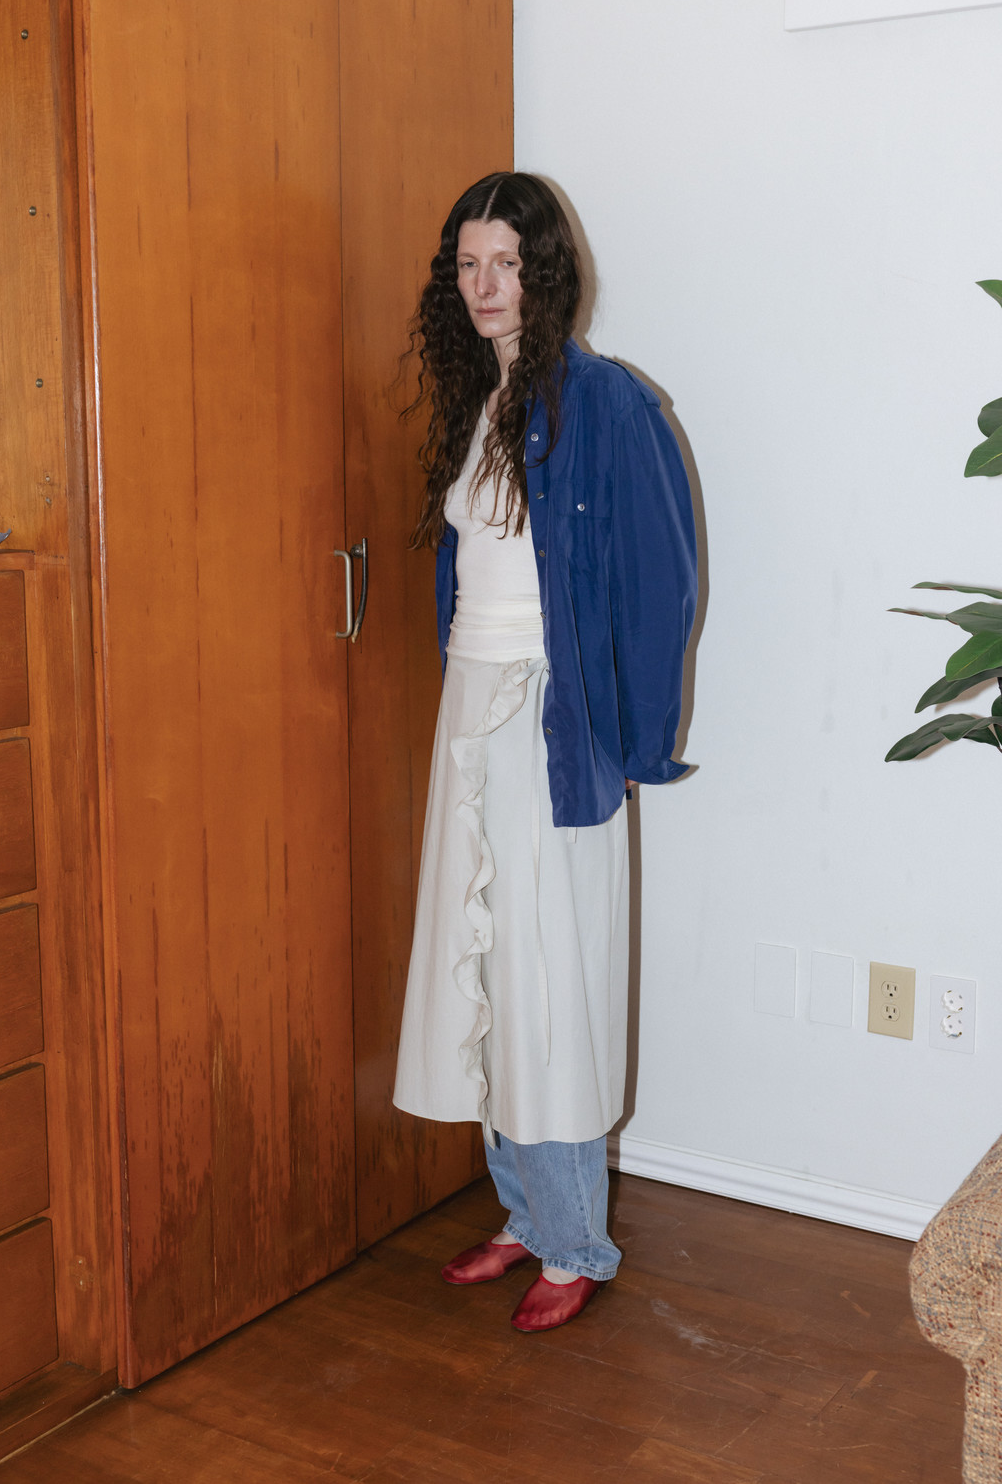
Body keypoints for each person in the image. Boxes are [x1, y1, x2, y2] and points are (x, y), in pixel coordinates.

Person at [393, 172, 697, 1333]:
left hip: (552, 722)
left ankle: (576, 1240)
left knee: (548, 984)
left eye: (506, 264)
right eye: (467, 264)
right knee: (483, 967)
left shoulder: (608, 404)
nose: (484, 285)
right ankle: (523, 1213)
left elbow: (662, 584)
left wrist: (636, 740)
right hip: (470, 710)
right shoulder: (480, 402)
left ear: (545, 271)